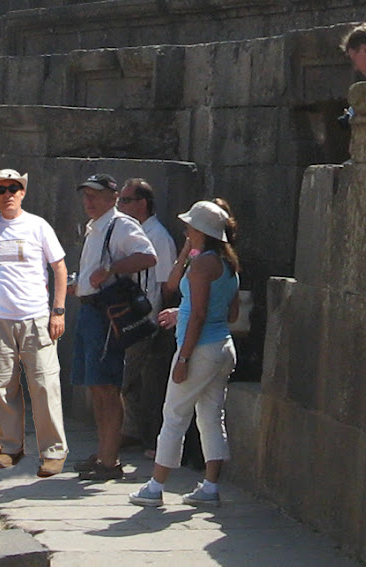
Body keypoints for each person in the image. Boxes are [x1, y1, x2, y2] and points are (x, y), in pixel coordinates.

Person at [128, 200, 240, 507]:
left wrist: (184, 357)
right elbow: (228, 312)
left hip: (200, 348)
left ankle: (155, 486)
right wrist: (183, 311)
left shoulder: (202, 264)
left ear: (200, 230)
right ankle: (210, 486)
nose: (186, 229)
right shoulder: (227, 265)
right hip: (223, 347)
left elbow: (200, 313)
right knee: (211, 416)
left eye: (190, 226)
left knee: (174, 414)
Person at [0, 169, 69, 478]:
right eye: (0, 189)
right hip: (0, 320)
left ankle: (53, 451)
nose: (7, 194)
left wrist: (58, 311)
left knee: (44, 384)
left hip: (36, 317)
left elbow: (59, 268)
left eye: (13, 188)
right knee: (3, 384)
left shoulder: (38, 226)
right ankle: (10, 446)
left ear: (22, 193)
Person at [72, 174, 157, 481]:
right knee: (96, 386)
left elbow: (148, 256)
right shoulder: (95, 227)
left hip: (106, 315)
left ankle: (110, 459)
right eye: (86, 195)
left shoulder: (121, 225)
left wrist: (111, 269)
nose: (88, 201)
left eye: (95, 195)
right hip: (89, 310)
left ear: (113, 197)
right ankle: (104, 452)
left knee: (108, 386)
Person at [116, 178, 177, 458]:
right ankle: (131, 430)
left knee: (135, 377)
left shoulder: (159, 238)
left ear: (142, 203)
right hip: (127, 316)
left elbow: (166, 286)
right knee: (128, 377)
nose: (121, 205)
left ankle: (139, 433)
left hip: (146, 317)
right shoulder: (132, 232)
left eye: (126, 200)